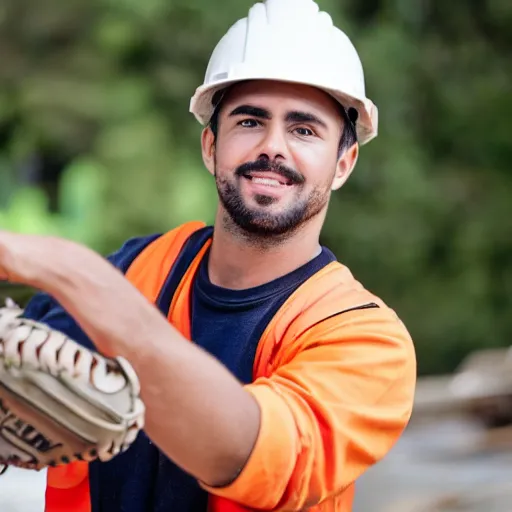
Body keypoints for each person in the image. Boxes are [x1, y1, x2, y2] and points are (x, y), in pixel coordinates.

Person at [0, 0, 417, 510]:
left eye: (304, 130)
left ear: (344, 163)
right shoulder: (143, 268)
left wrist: (69, 272)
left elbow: (246, 451)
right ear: (209, 146)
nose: (273, 147)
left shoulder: (366, 341)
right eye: (249, 121)